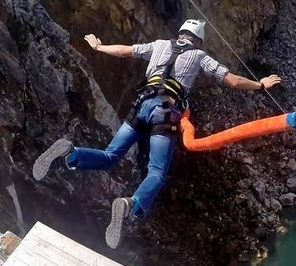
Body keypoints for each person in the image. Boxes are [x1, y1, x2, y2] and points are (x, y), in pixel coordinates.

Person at [33, 19, 282, 249]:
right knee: (157, 172)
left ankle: (72, 153)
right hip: (166, 113)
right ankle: (131, 203)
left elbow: (125, 51)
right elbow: (233, 81)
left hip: (141, 106)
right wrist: (260, 84)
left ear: (181, 34)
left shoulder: (160, 45)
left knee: (110, 155)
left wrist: (99, 47)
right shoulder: (199, 55)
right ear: (198, 40)